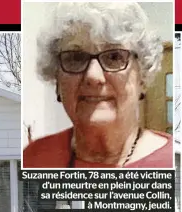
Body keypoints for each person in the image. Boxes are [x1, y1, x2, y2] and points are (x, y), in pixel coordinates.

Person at [23, 2, 173, 168]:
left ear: (142, 78)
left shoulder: (171, 162)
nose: (93, 76)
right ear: (57, 79)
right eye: (75, 58)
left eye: (114, 57)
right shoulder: (33, 158)